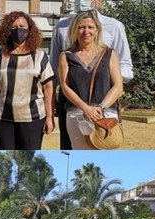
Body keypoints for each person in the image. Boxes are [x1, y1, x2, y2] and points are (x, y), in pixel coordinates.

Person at [50, 0, 133, 150]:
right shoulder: (64, 46)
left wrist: (100, 107)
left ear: (97, 30)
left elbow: (120, 79)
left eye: (90, 27)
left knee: (105, 152)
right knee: (77, 151)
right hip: (76, 112)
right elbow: (62, 82)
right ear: (74, 30)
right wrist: (85, 108)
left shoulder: (112, 38)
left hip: (105, 111)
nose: (86, 31)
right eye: (81, 27)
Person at [0, 11, 55, 150]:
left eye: (22, 26)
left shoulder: (39, 55)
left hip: (33, 119)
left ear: (29, 29)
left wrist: (50, 118)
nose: (18, 30)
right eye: (14, 27)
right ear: (7, 31)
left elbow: (49, 88)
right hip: (3, 118)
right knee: (7, 159)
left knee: (28, 160)